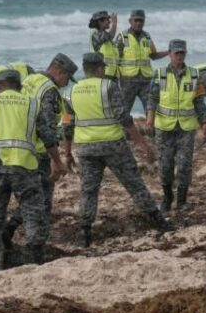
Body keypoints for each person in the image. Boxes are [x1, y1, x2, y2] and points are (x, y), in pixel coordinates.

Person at [70, 53, 168, 248]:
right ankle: (157, 220)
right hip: (113, 145)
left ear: (84, 68)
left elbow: (67, 124)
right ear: (100, 68)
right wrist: (144, 145)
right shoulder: (108, 86)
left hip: (86, 148)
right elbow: (124, 118)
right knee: (134, 184)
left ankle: (85, 231)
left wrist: (66, 153)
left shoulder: (73, 90)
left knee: (89, 190)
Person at [0, 69, 63, 268]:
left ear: (0, 85)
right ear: (18, 86)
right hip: (24, 165)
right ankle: (34, 256)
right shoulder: (31, 104)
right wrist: (57, 161)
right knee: (32, 211)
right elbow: (47, 137)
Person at [146, 40, 206, 212]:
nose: (179, 57)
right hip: (164, 128)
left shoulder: (195, 75)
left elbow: (199, 102)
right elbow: (152, 99)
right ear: (170, 54)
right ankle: (167, 197)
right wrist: (150, 119)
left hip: (186, 128)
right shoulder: (159, 74)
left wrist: (204, 122)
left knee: (184, 164)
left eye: (182, 53)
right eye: (176, 53)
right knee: (165, 164)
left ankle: (182, 200)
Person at [116, 9, 167, 114]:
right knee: (123, 112)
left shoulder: (147, 37)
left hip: (146, 80)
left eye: (141, 21)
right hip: (128, 81)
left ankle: (151, 130)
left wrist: (168, 52)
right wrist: (118, 79)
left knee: (152, 110)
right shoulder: (123, 37)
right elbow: (116, 59)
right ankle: (123, 130)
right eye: (136, 20)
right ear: (130, 21)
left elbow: (153, 55)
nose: (139, 23)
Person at [89, 10, 119, 76]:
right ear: (100, 22)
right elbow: (110, 36)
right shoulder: (95, 33)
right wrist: (114, 24)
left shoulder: (104, 34)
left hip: (111, 74)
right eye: (107, 19)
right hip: (102, 73)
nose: (109, 21)